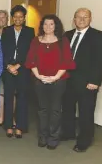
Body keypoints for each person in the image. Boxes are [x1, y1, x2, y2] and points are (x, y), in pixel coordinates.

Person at [25, 14, 75, 150]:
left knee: (55, 110)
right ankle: (43, 136)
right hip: (39, 80)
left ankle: (53, 138)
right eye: (45, 24)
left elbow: (66, 62)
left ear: (56, 26)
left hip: (58, 81)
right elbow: (31, 60)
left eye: (51, 24)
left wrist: (55, 77)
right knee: (42, 110)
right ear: (42, 26)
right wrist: (39, 76)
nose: (48, 27)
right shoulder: (36, 41)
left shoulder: (62, 41)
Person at [61, 8, 102, 152]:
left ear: (90, 19)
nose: (81, 20)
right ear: (74, 19)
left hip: (88, 82)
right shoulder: (66, 35)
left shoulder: (100, 36)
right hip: (68, 80)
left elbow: (101, 60)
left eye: (85, 17)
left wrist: (95, 81)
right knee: (67, 109)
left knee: (86, 112)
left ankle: (84, 140)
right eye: (78, 17)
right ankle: (68, 133)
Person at [1, 5, 35, 138]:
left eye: (21, 16)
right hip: (8, 69)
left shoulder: (30, 31)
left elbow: (30, 52)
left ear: (24, 18)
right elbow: (2, 50)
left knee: (22, 98)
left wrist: (18, 65)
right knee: (8, 97)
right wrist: (8, 66)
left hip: (23, 69)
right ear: (12, 17)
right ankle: (9, 126)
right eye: (15, 16)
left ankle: (20, 126)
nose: (18, 19)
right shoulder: (6, 30)